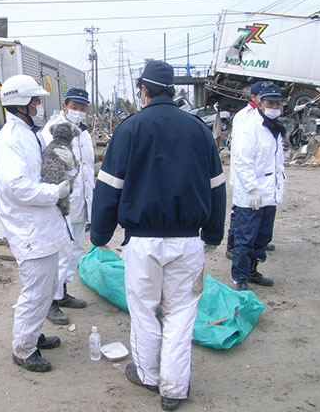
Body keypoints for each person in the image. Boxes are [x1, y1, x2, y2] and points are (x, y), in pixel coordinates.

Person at [90, 61, 226, 411]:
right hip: (187, 240)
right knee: (181, 313)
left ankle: (149, 375)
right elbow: (216, 188)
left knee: (144, 310)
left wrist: (100, 234)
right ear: (173, 91)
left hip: (142, 240)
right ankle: (174, 388)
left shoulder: (129, 129)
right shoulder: (199, 130)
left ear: (144, 91)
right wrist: (212, 234)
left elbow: (108, 188)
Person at [0, 74, 73, 373]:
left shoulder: (29, 133)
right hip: (28, 229)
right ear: (20, 104)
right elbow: (18, 187)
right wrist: (55, 192)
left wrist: (65, 166)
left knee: (47, 285)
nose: (39, 104)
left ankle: (32, 334)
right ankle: (24, 349)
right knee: (37, 289)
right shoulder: (9, 140)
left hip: (42, 227)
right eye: (35, 100)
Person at [41, 88, 95, 325]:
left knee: (75, 250)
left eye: (83, 108)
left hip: (81, 201)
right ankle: (51, 302)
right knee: (61, 253)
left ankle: (62, 293)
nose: (79, 112)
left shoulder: (84, 134)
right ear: (65, 105)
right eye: (75, 106)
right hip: (62, 202)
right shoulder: (52, 131)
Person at [230, 84, 286, 290]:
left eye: (277, 103)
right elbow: (242, 161)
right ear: (260, 104)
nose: (274, 107)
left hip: (270, 192)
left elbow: (277, 161)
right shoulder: (250, 127)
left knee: (263, 237)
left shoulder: (276, 128)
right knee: (246, 237)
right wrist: (252, 189)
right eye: (270, 103)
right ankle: (240, 276)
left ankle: (253, 270)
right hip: (251, 193)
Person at [226, 81, 268, 260]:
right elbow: (241, 148)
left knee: (258, 211)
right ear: (253, 97)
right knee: (240, 212)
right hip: (243, 171)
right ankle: (232, 244)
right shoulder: (245, 115)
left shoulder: (264, 115)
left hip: (258, 172)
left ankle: (255, 240)